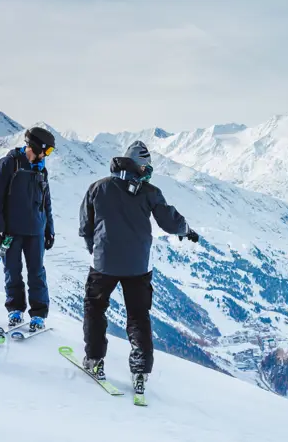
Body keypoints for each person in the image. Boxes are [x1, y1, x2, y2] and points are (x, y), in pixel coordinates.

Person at [78, 141, 200, 393]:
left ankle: (94, 358)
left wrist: (96, 249)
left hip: (103, 264)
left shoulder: (98, 188)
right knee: (138, 316)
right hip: (137, 266)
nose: (148, 172)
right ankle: (140, 370)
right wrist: (186, 230)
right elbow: (169, 220)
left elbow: (85, 225)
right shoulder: (149, 192)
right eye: (147, 167)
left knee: (95, 309)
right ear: (139, 165)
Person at [0, 127, 56, 331]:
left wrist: (49, 229)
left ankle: (38, 314)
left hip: (36, 230)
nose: (47, 156)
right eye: (48, 151)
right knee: (13, 271)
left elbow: (46, 202)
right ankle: (15, 310)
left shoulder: (41, 169)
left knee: (37, 272)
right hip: (11, 231)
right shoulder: (9, 164)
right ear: (37, 146)